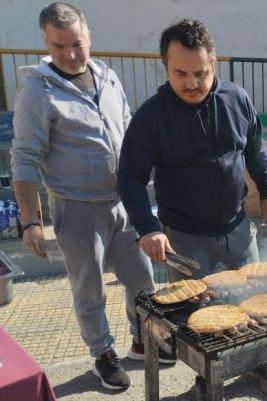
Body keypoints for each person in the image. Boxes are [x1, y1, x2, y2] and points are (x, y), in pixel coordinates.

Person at [10, 2, 174, 392]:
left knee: (142, 279)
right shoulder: (36, 90)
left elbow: (131, 128)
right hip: (77, 209)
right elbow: (24, 158)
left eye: (76, 44)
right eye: (58, 46)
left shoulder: (107, 76)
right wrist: (31, 221)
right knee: (89, 287)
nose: (69, 54)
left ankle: (142, 340)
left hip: (124, 201)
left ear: (89, 38)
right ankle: (102, 354)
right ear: (46, 44)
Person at [117, 19, 267, 396]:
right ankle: (209, 379)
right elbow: (129, 177)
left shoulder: (237, 99)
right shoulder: (151, 117)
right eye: (181, 74)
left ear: (214, 65)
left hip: (238, 227)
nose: (192, 83)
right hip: (185, 238)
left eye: (201, 73)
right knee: (198, 318)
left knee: (253, 298)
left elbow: (254, 148)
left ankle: (259, 362)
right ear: (165, 68)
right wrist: (148, 227)